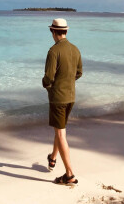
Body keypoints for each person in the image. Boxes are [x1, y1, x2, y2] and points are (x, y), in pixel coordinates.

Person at [42, 18, 82, 186]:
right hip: (71, 97)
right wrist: (67, 82)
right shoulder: (75, 49)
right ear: (65, 31)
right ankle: (53, 158)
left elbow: (49, 77)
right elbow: (79, 72)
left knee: (60, 133)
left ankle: (70, 175)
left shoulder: (53, 51)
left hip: (58, 98)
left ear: (53, 32)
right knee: (60, 130)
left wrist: (47, 84)